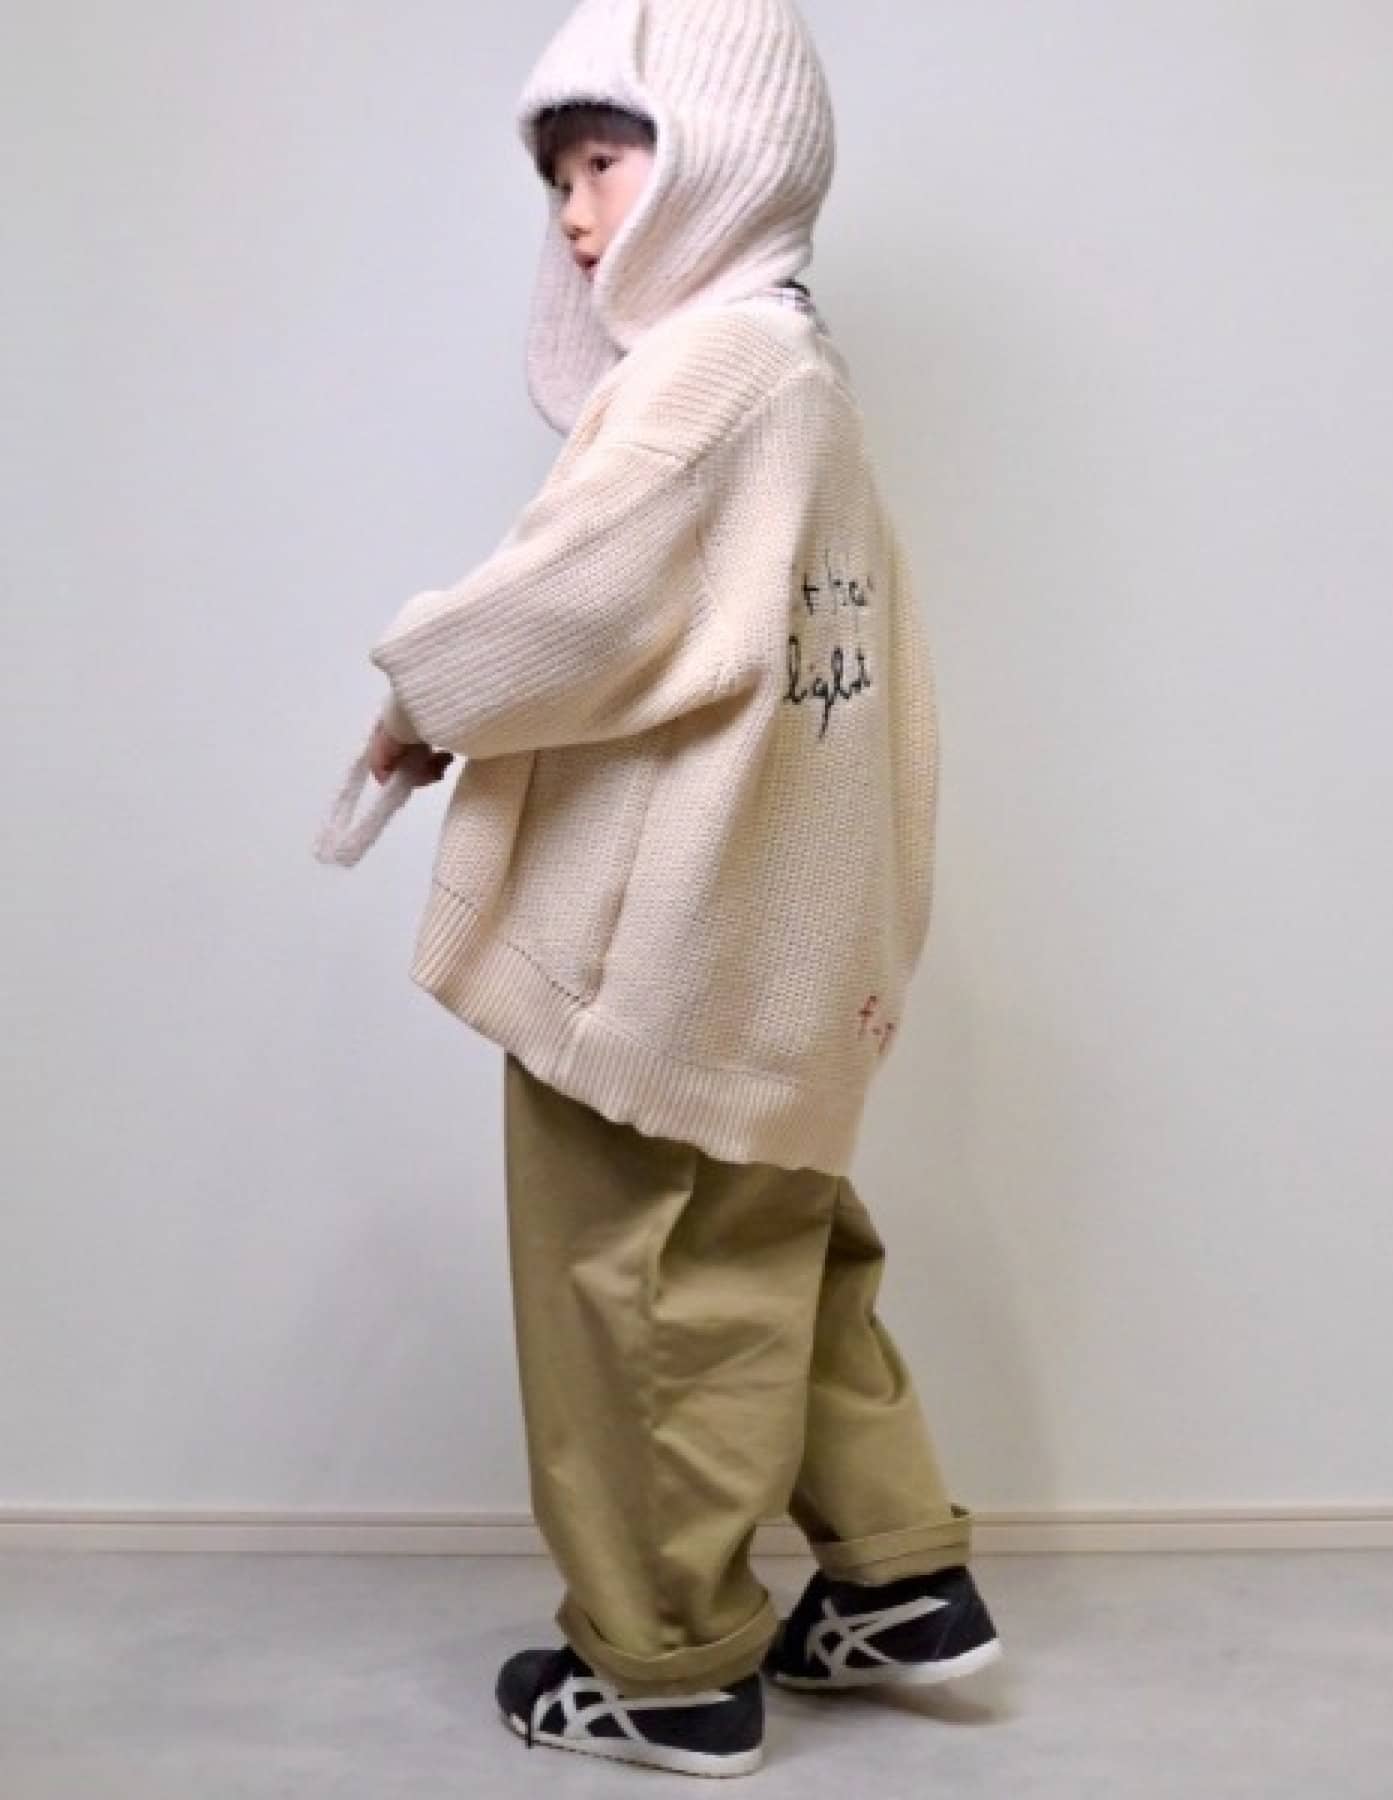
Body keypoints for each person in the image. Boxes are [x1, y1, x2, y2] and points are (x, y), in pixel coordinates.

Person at [360, 0, 999, 1777]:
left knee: (626, 1281)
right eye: (556, 177)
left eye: (605, 160)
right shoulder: (802, 371)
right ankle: (894, 1570)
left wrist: (423, 689)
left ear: (728, 155)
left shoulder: (712, 376)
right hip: (786, 927)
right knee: (771, 1244)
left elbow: (582, 595)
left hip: (666, 936)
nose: (575, 215)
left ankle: (662, 1665)